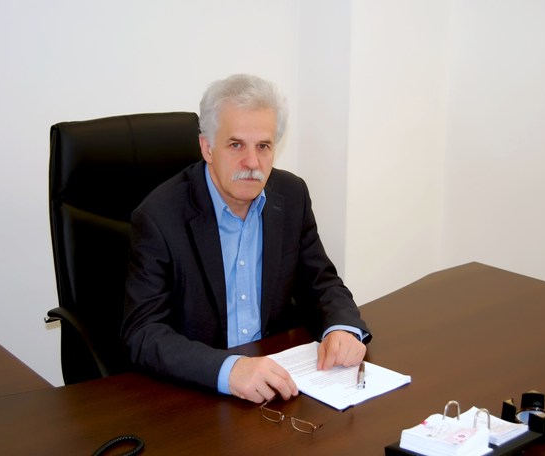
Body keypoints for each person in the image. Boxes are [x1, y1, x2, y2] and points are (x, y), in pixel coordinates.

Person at [122, 74, 371, 404]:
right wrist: (228, 370)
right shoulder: (159, 217)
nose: (252, 163)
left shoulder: (291, 196)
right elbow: (143, 332)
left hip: (279, 381)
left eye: (263, 146)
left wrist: (341, 328)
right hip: (197, 394)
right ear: (207, 148)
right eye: (236, 145)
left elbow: (321, 282)